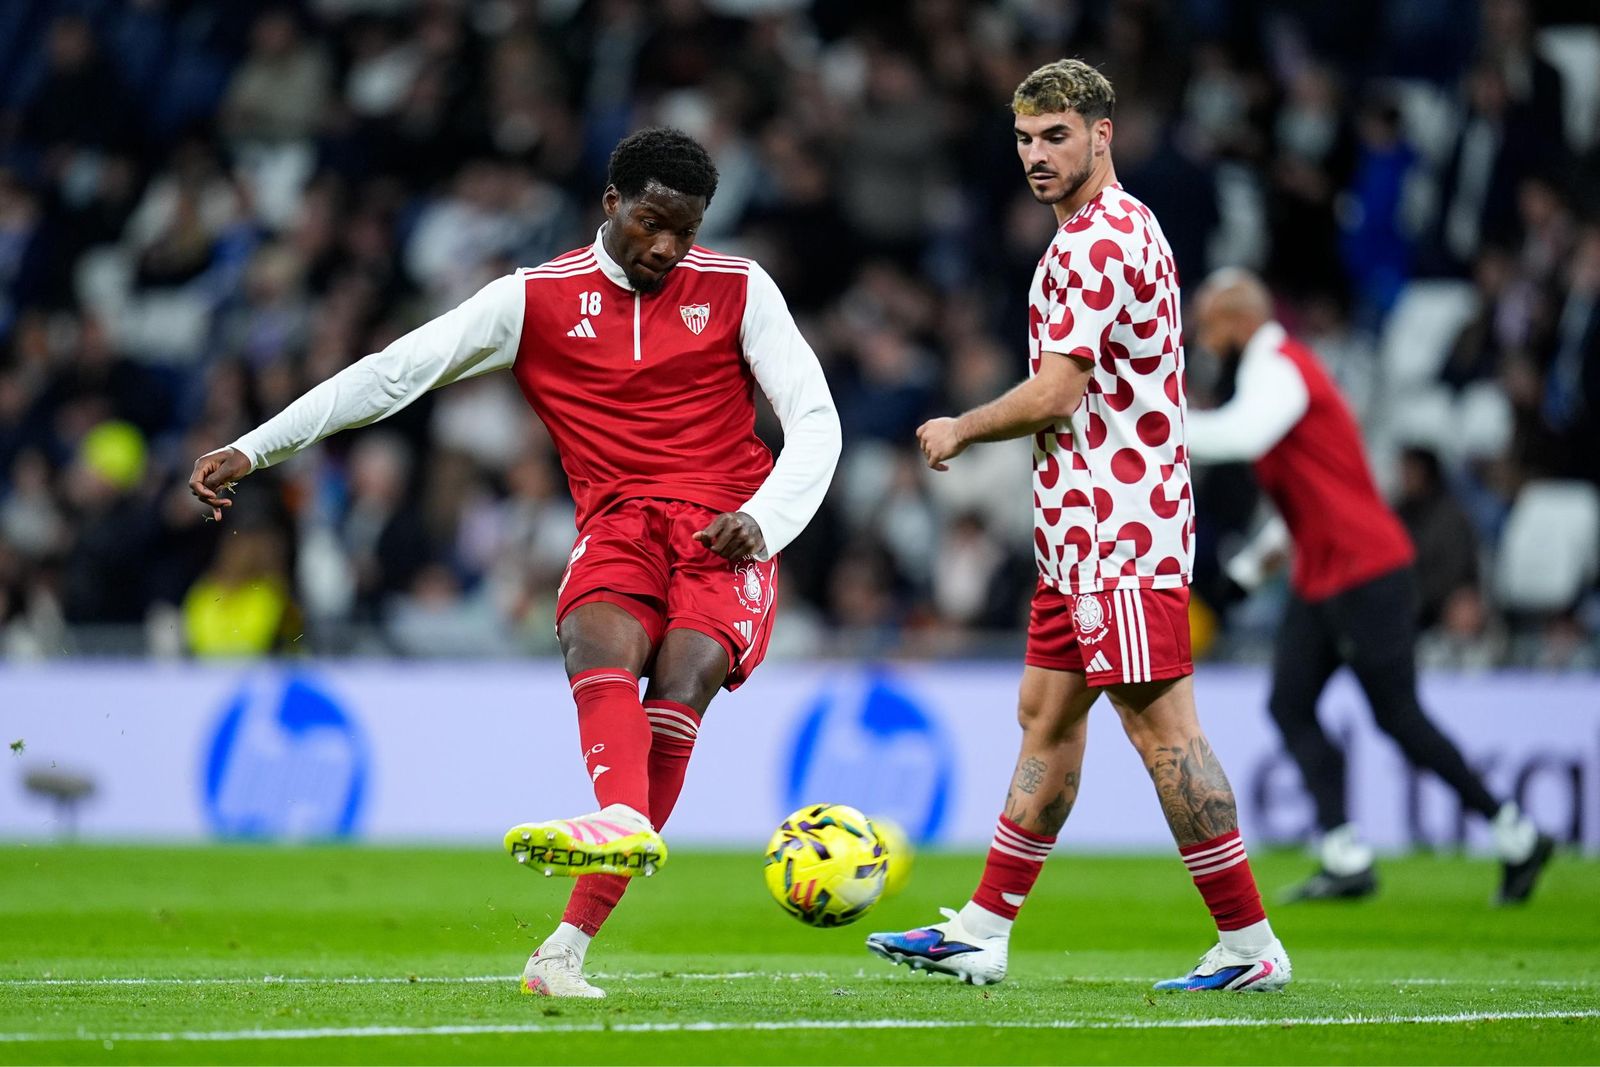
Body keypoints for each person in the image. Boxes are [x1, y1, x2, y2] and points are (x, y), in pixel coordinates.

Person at [189, 128, 842, 997]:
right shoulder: (533, 301)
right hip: (617, 519)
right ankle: (616, 821)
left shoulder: (738, 288)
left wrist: (760, 522)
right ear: (611, 203)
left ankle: (567, 940)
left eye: (684, 231)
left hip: (726, 522)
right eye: (651, 222)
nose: (666, 247)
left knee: (685, 675)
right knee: (592, 638)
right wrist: (254, 447)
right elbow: (393, 374)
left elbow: (817, 420)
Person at [864, 60, 1290, 992]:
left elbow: (1061, 388)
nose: (1036, 155)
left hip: (1120, 528)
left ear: (1104, 133)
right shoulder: (1090, 236)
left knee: (1164, 731)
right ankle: (983, 928)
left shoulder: (1103, 239)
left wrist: (963, 426)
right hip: (1077, 533)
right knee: (1045, 716)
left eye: (1056, 135)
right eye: (1024, 139)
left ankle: (1252, 948)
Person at [1185, 268, 1553, 903]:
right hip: (1325, 573)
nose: (1204, 340)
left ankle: (1515, 832)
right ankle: (1344, 853)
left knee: (1398, 717)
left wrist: (1153, 427)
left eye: (1210, 325)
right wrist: (1248, 573)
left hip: (1366, 571)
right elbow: (1306, 496)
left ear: (1241, 321)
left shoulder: (1279, 368)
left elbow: (1244, 435)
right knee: (1290, 703)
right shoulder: (1270, 376)